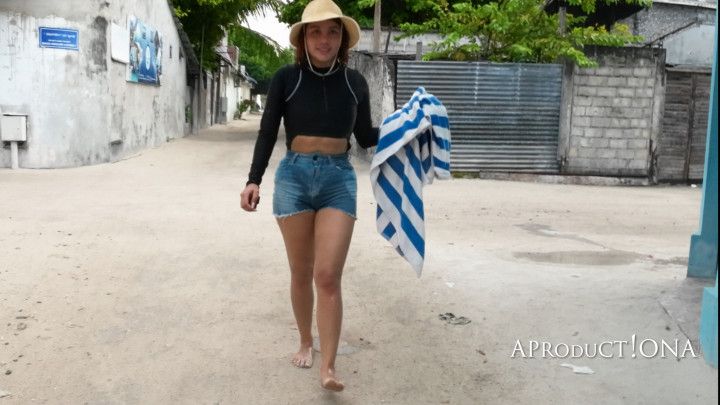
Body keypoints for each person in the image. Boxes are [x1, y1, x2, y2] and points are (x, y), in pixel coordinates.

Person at [239, 0, 378, 392]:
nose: (324, 39)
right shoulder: (287, 78)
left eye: (332, 31)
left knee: (327, 276)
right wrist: (254, 180)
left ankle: (329, 367)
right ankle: (305, 340)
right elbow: (268, 131)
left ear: (342, 39)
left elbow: (366, 138)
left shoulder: (356, 83)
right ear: (303, 38)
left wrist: (407, 131)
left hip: (338, 180)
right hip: (294, 178)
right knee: (301, 272)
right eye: (315, 31)